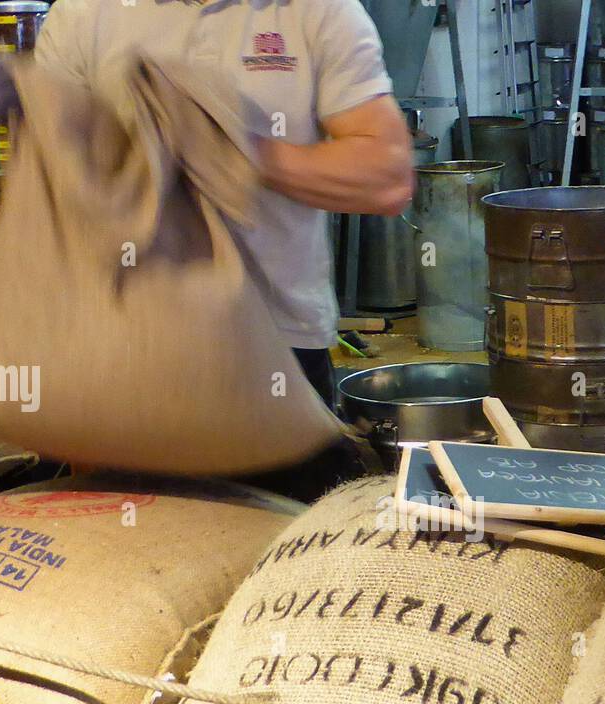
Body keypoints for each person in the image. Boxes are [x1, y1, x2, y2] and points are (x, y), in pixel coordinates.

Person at [32, 0, 414, 408]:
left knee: (290, 471)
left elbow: (386, 178)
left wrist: (234, 153)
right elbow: (50, 188)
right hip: (125, 340)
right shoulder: (83, 13)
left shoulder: (318, 10)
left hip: (278, 340)